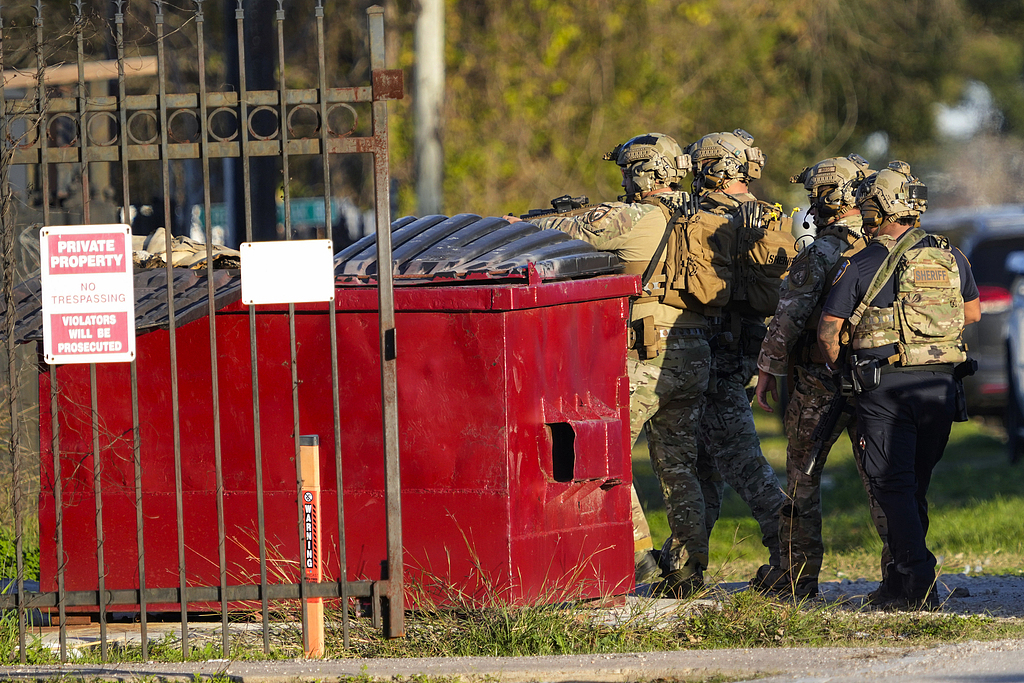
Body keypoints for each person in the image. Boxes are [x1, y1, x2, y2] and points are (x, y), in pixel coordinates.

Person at [507, 133, 712, 596]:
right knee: (679, 466)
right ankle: (687, 568)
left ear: (644, 172)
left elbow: (558, 232)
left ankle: (636, 556)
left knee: (610, 458)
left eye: (628, 171)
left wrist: (517, 221)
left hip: (647, 353)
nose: (624, 180)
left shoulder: (636, 216)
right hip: (695, 347)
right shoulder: (701, 216)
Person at [817, 161, 981, 610]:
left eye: (868, 204)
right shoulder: (951, 256)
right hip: (942, 389)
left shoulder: (863, 260)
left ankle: (919, 579)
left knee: (890, 486)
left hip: (885, 389)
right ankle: (900, 583)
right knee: (913, 486)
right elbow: (972, 314)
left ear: (880, 208)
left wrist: (839, 371)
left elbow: (829, 329)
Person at [751, 154, 890, 598]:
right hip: (874, 379)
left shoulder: (822, 250)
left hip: (820, 381)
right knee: (883, 477)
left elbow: (789, 316)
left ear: (825, 197)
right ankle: (903, 573)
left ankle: (797, 580)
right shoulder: (884, 248)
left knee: (802, 477)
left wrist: (768, 367)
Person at [676, 130, 788, 578]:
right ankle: (683, 567)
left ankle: (792, 555)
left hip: (711, 352)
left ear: (709, 169)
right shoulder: (768, 216)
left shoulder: (698, 216)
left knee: (739, 460)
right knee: (706, 464)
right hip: (742, 347)